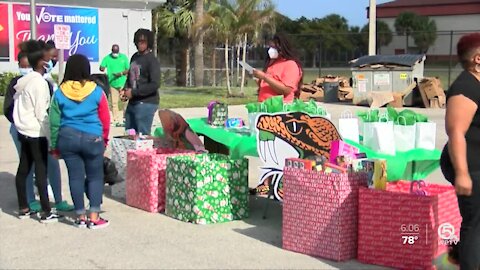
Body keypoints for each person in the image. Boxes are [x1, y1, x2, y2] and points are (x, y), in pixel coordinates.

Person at [4, 51, 73, 212]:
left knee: (50, 165)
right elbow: (10, 109)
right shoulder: (17, 83)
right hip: (28, 130)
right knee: (31, 167)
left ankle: (58, 199)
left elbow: (50, 108)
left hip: (37, 128)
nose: (26, 69)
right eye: (23, 66)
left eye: (28, 65)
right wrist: (21, 123)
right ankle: (33, 202)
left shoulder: (45, 83)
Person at [50, 54, 111, 229]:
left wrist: (54, 146)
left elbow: (54, 121)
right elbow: (105, 119)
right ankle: (94, 216)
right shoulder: (97, 91)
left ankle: (80, 216)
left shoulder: (60, 92)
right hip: (93, 138)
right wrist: (104, 140)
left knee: (75, 177)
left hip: (67, 138)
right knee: (95, 177)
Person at [440, 32, 480, 269]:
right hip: (470, 166)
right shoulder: (464, 88)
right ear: (478, 59)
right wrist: (462, 174)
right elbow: (455, 132)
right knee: (474, 224)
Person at [12, 40, 62, 222]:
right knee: (41, 171)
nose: (51, 58)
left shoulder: (23, 82)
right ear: (42, 62)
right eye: (48, 57)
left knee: (23, 169)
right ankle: (46, 212)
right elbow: (43, 114)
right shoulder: (39, 83)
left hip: (23, 131)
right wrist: (51, 139)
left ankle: (23, 208)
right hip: (36, 132)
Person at [122, 29, 160, 135]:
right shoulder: (134, 57)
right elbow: (130, 76)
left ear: (149, 43)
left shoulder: (152, 60)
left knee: (142, 137)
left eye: (144, 42)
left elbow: (155, 84)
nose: (141, 44)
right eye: (139, 41)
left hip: (146, 103)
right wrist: (125, 90)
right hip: (133, 102)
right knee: (129, 134)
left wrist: (133, 93)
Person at [252, 33, 303, 103]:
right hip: (265, 106)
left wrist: (264, 77)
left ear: (281, 48)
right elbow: (271, 84)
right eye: (270, 47)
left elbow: (286, 90)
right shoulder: (272, 63)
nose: (270, 50)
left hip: (280, 108)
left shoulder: (291, 65)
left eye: (273, 47)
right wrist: (259, 79)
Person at [100, 44, 130, 126]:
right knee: (114, 102)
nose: (115, 54)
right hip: (112, 83)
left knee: (125, 101)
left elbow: (128, 69)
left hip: (123, 83)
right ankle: (115, 119)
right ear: (112, 51)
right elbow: (101, 67)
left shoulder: (123, 58)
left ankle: (125, 118)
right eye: (114, 52)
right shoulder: (107, 58)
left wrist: (120, 73)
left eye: (116, 52)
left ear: (118, 51)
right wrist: (102, 68)